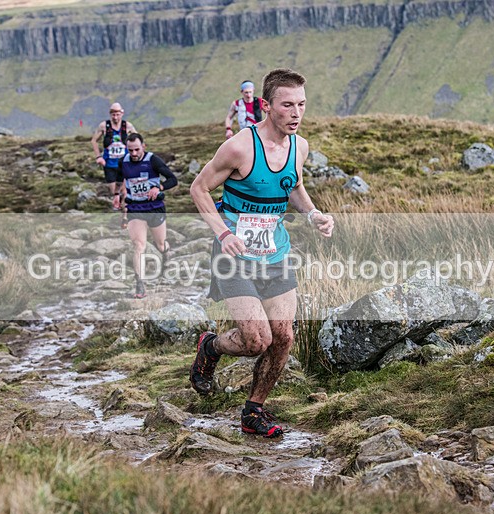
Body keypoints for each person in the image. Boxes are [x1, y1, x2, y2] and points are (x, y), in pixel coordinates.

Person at [189, 69, 334, 438]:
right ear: (267, 106)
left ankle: (254, 411)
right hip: (233, 256)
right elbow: (199, 189)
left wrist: (313, 213)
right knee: (256, 341)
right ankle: (211, 346)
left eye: (302, 104)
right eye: (288, 105)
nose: (296, 113)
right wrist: (223, 233)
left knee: (283, 337)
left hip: (275, 252)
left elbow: (294, 185)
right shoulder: (239, 146)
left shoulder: (299, 146)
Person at [120, 133, 178, 299]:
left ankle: (166, 255)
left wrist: (159, 187)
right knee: (139, 245)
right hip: (135, 209)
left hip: (155, 208)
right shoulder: (123, 162)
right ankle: (139, 284)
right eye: (130, 150)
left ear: (143, 146)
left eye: (137, 149)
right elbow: (120, 182)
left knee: (160, 244)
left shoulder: (153, 160)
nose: (134, 153)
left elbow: (173, 180)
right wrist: (119, 198)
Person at [91, 102, 137, 210]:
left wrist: (135, 156)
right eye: (113, 115)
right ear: (110, 114)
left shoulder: (128, 126)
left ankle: (126, 218)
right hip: (109, 165)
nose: (115, 117)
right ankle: (122, 213)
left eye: (117, 114)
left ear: (122, 113)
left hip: (125, 164)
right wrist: (99, 157)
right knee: (115, 193)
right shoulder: (104, 126)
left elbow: (138, 140)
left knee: (125, 192)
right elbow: (94, 141)